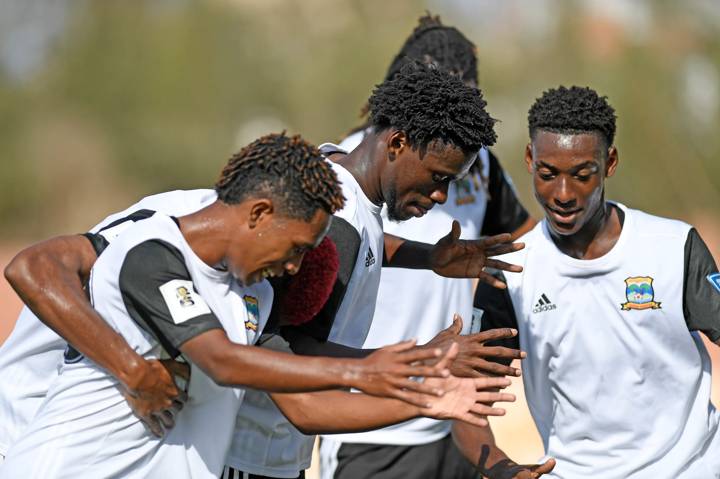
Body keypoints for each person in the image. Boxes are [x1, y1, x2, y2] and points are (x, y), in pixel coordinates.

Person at [1, 65, 522, 477]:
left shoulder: (267, 263)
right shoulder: (155, 249)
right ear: (259, 212)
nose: (297, 267)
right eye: (437, 178)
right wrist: (129, 368)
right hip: (46, 436)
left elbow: (280, 339)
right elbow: (249, 367)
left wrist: (427, 270)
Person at [454, 85, 720, 478]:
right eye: (548, 174)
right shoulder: (511, 269)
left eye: (582, 175)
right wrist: (502, 468)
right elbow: (464, 395)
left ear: (609, 162)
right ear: (530, 159)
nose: (563, 194)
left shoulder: (673, 247)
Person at [320, 13, 534, 479]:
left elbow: (521, 244)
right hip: (371, 423)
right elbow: (296, 347)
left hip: (451, 413)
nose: (441, 194)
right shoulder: (355, 169)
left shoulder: (476, 166)